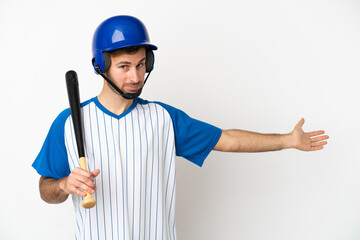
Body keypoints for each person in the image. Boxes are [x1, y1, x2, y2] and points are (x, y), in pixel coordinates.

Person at [32, 15, 329, 240]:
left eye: (141, 64)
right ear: (101, 66)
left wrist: (287, 140)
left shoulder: (163, 118)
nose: (136, 76)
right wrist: (63, 185)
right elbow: (46, 188)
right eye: (124, 66)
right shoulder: (70, 122)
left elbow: (228, 140)